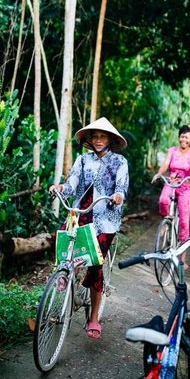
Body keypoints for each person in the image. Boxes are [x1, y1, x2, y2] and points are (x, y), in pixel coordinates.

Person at [49, 117, 129, 339]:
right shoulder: (83, 160)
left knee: (95, 264)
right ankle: (66, 275)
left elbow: (122, 187)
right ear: (90, 139)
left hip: (106, 219)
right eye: (95, 136)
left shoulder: (119, 162)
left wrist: (118, 196)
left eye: (103, 136)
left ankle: (93, 317)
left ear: (110, 139)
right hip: (81, 212)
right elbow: (72, 183)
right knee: (65, 243)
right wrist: (60, 188)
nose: (99, 140)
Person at [151, 125, 190, 269]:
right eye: (182, 136)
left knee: (184, 221)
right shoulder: (172, 150)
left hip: (186, 186)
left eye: (187, 137)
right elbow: (165, 164)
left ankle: (183, 259)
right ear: (179, 137)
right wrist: (159, 174)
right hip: (172, 182)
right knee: (163, 200)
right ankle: (166, 222)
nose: (184, 139)